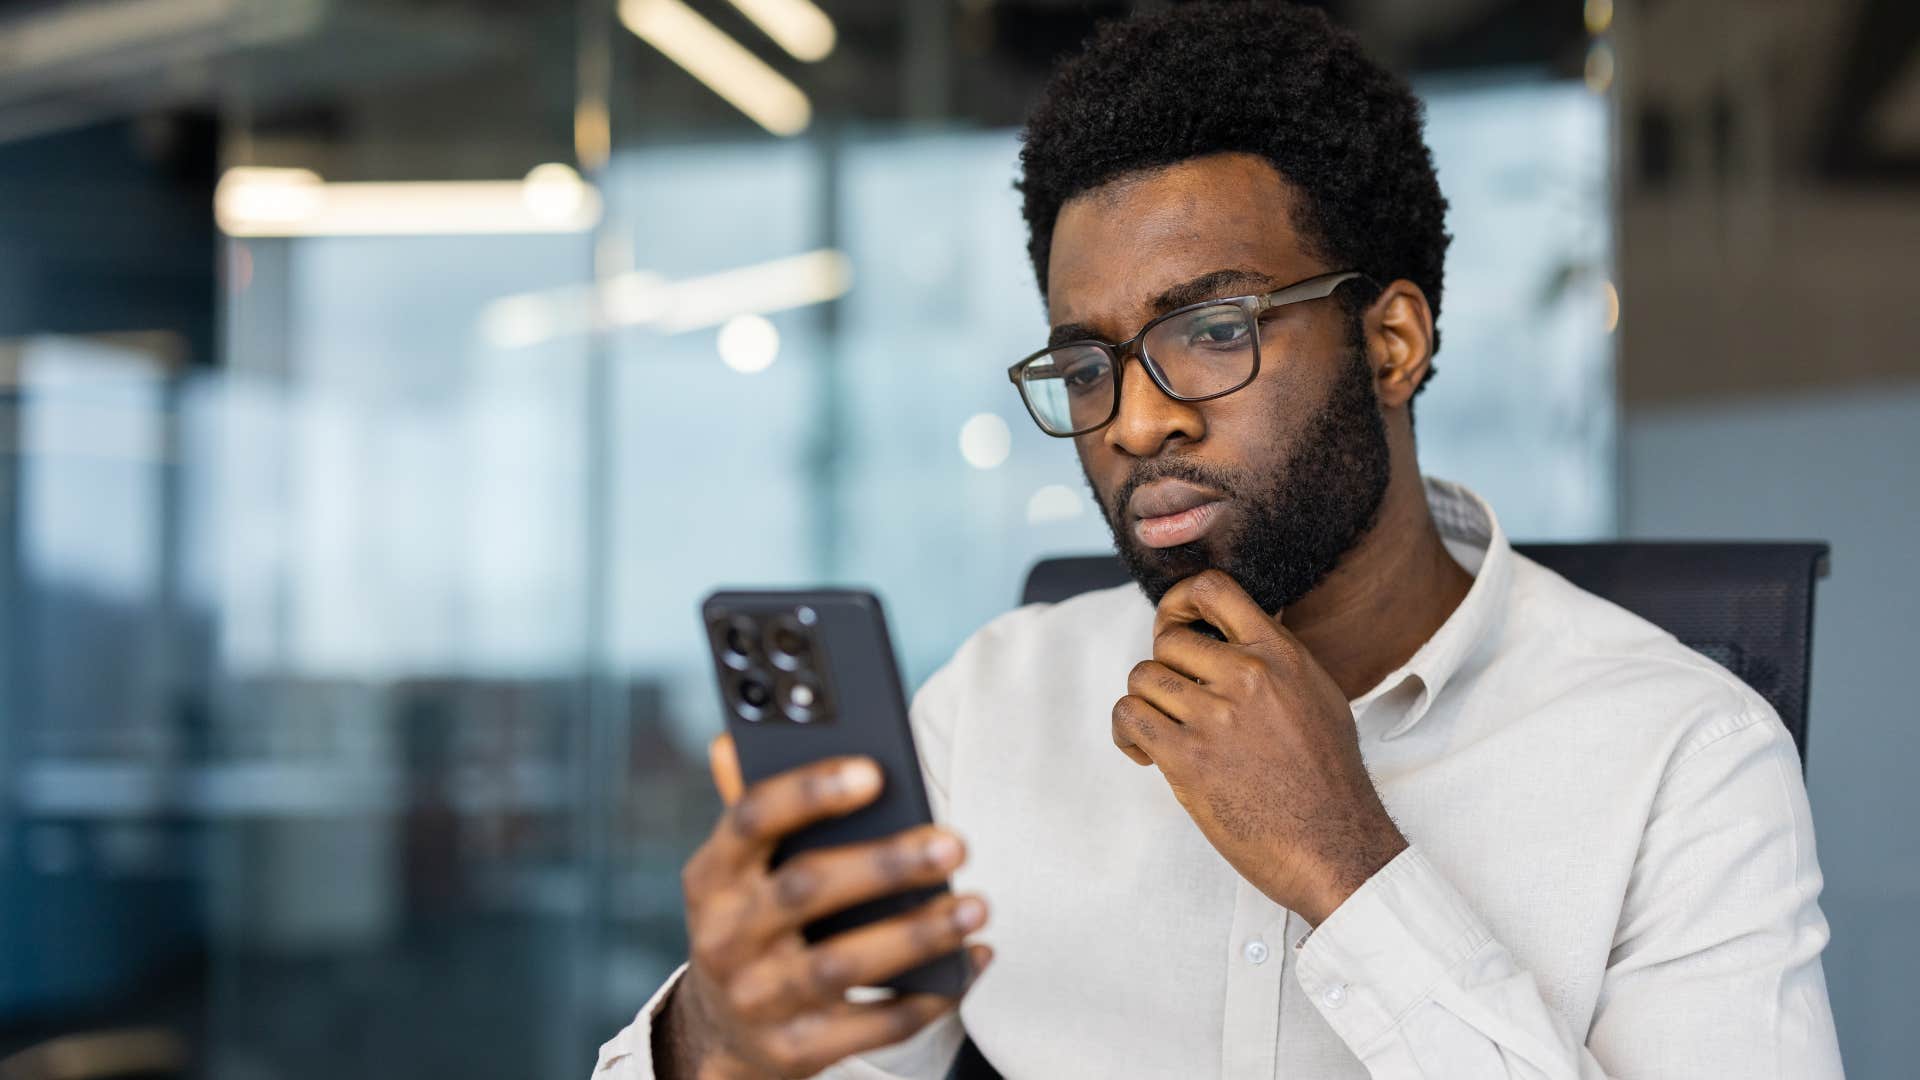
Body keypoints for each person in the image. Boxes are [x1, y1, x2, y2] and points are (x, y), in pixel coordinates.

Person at [595, 3, 1844, 1077]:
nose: (1136, 419)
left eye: (1213, 329)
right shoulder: (995, 707)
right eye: (1089, 362)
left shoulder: (1685, 757)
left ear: (1392, 343)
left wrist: (1351, 867)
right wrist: (719, 1032)